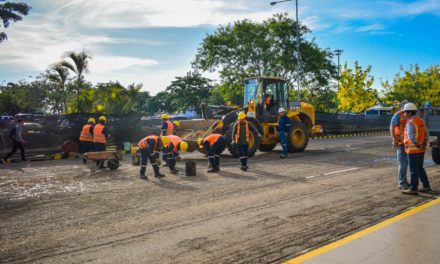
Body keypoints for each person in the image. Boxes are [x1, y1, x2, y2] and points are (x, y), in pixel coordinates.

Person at [401, 103, 431, 195]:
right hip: (420, 149)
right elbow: (427, 133)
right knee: (420, 168)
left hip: (413, 150)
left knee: (413, 170)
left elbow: (411, 137)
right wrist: (424, 143)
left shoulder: (410, 123)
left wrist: (417, 144)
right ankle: (426, 186)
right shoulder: (420, 121)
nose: (404, 114)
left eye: (405, 112)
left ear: (409, 113)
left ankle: (413, 188)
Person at [390, 100, 409, 189]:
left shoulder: (409, 115)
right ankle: (402, 183)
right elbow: (392, 127)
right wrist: (394, 139)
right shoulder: (397, 115)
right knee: (403, 163)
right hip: (400, 142)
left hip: (408, 143)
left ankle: (404, 181)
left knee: (406, 163)